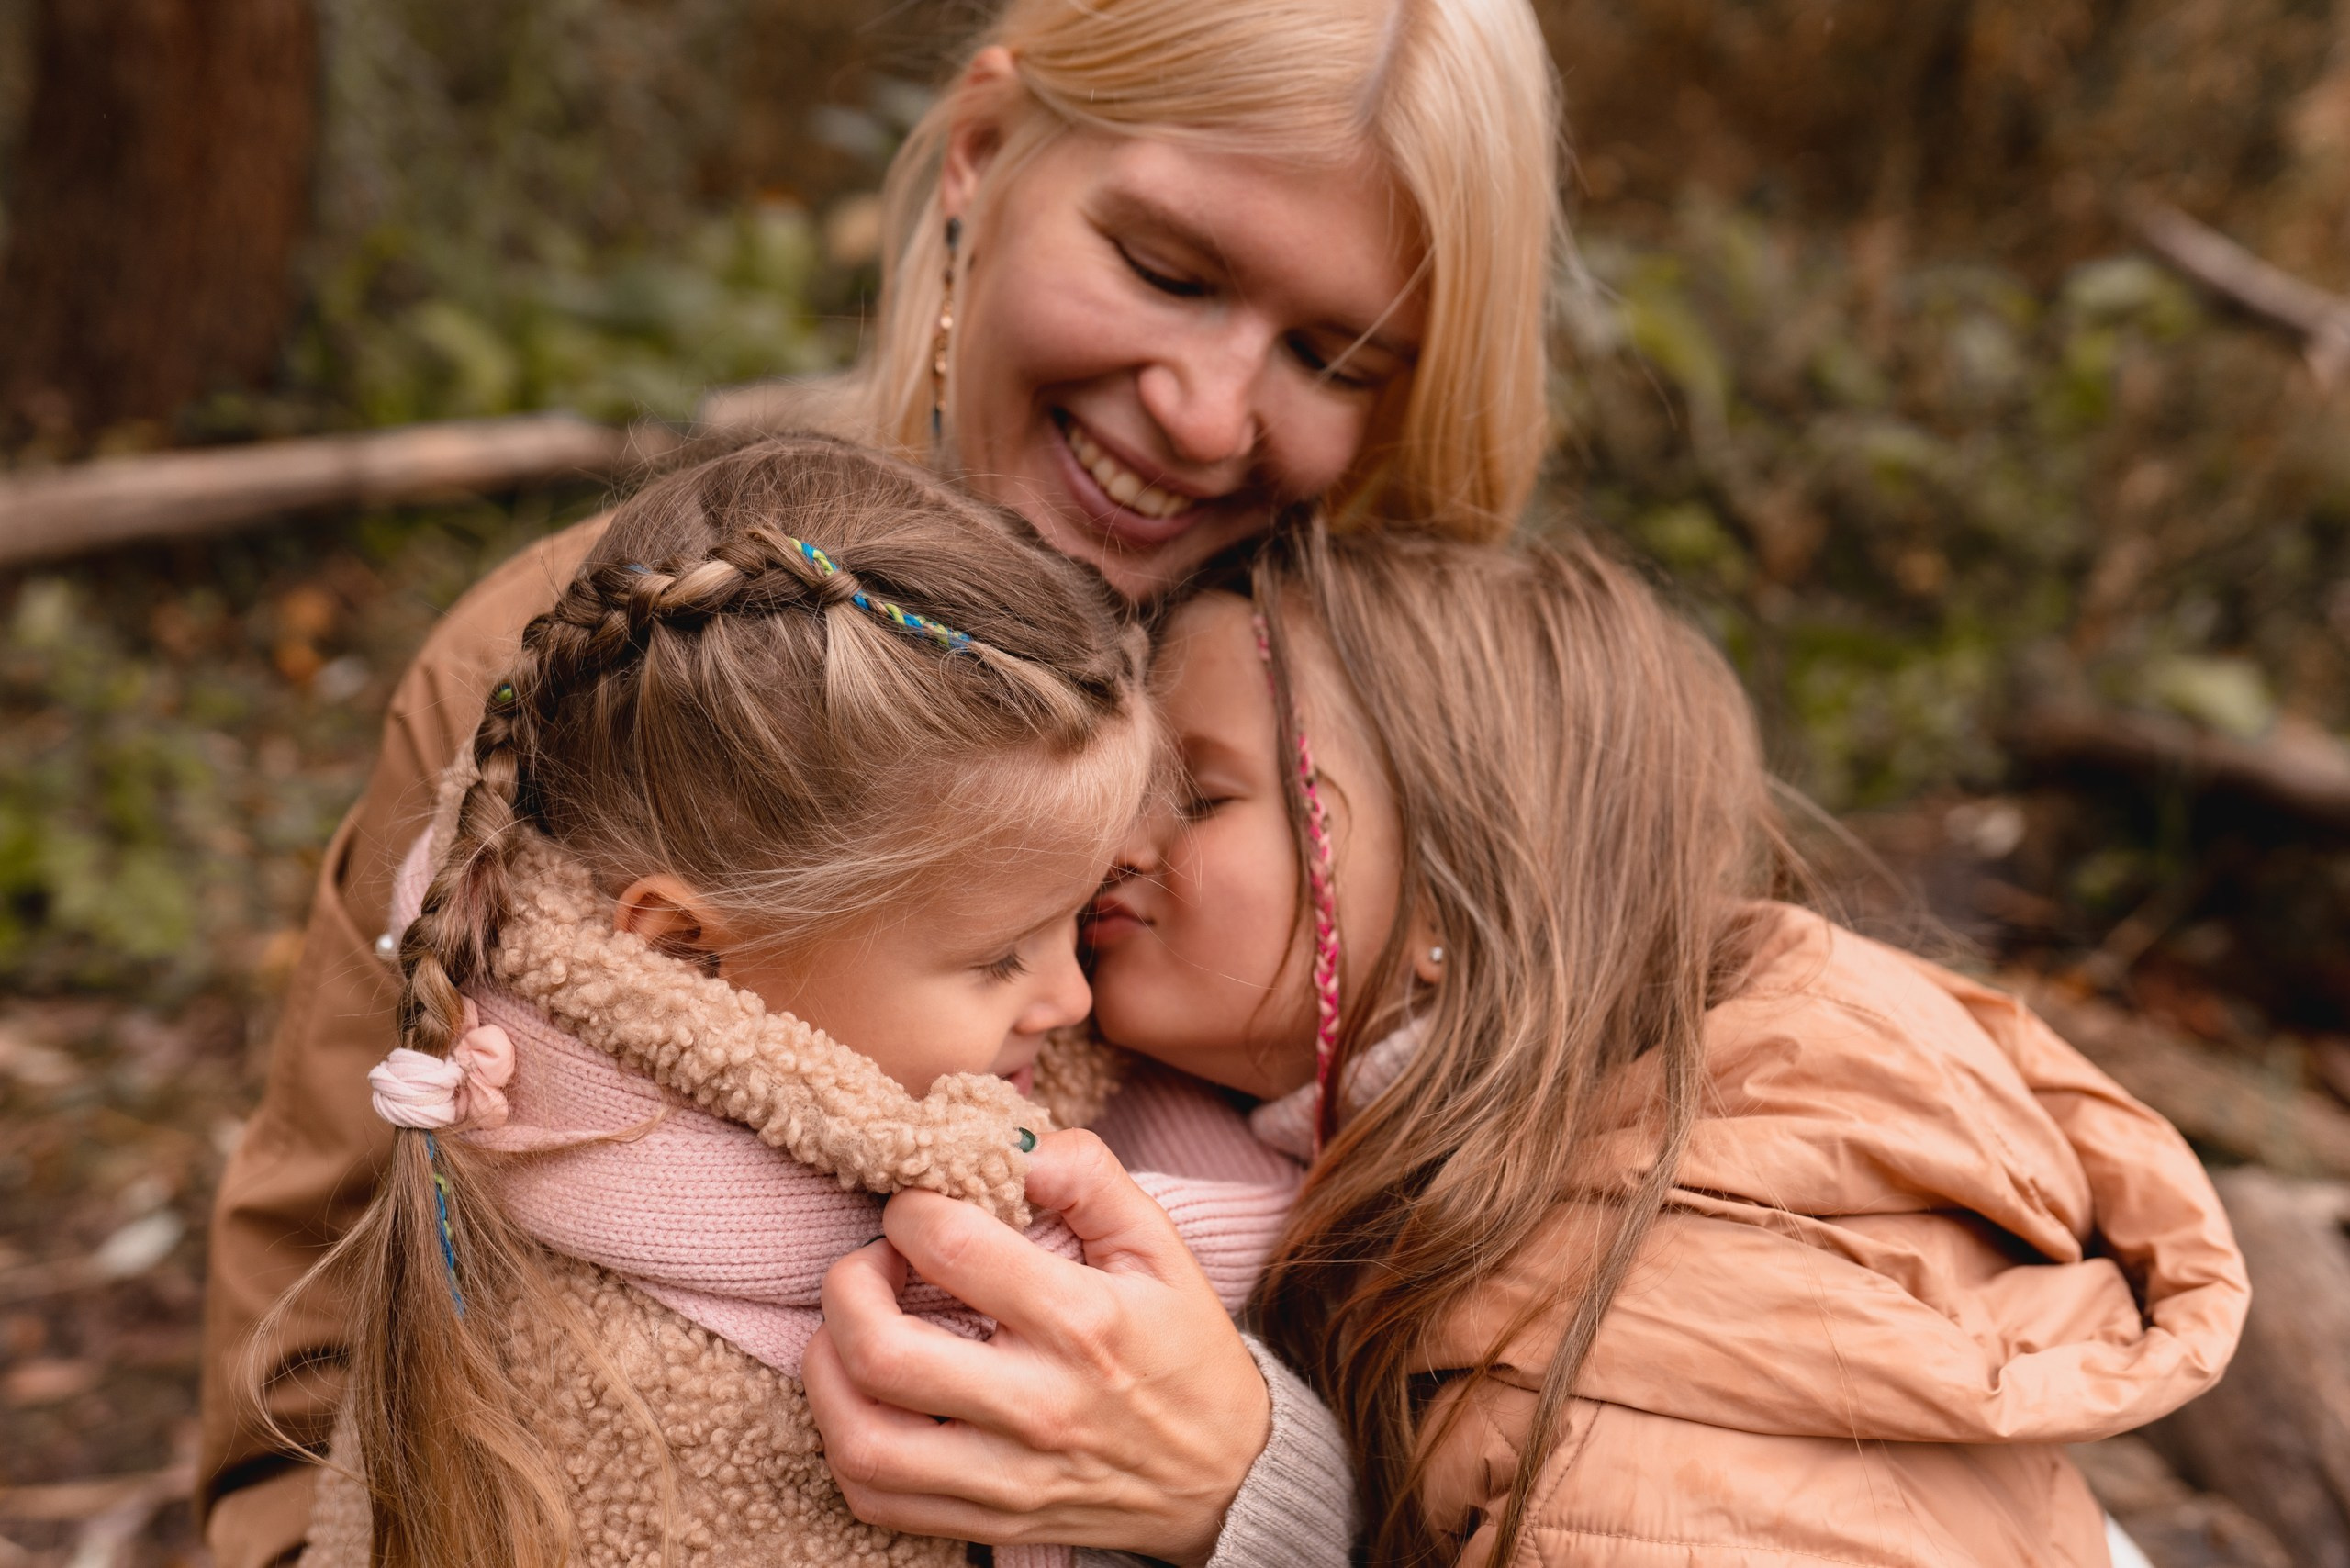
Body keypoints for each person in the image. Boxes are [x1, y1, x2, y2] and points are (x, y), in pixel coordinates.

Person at [197, 0, 1560, 1562]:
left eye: (1335, 353)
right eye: (1165, 270)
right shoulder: (591, 672)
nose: (1200, 408)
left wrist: (1253, 1493)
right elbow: (299, 1369)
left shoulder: (1448, 752)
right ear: (979, 157)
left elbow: (1622, 1391)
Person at [1011, 522, 2244, 1563]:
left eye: (1207, 793)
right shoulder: (1514, 1172)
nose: (1115, 842)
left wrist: (1257, 1508)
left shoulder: (1669, 1269)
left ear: (1460, 876)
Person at [278, 436, 1312, 1568]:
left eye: (1085, 911)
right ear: (684, 945)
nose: (1073, 997)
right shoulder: (642, 1404)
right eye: (999, 956)